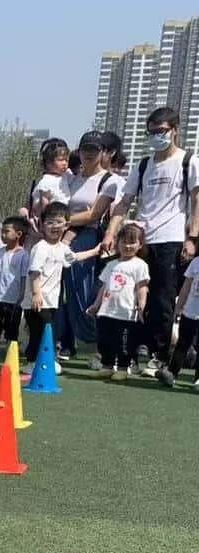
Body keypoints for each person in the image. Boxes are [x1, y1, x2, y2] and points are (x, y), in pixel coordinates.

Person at [103, 106, 199, 378]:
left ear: (174, 130)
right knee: (133, 297)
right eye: (152, 133)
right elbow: (124, 202)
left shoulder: (188, 161)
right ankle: (131, 352)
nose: (156, 137)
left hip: (170, 239)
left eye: (161, 132)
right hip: (141, 238)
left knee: (162, 300)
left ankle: (158, 355)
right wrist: (112, 232)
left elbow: (196, 199)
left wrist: (192, 238)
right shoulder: (144, 164)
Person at [22, 202, 101, 366]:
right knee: (41, 332)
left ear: (66, 225)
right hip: (37, 301)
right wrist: (36, 293)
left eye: (58, 222)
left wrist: (95, 251)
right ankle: (34, 363)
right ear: (42, 225)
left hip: (50, 301)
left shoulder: (61, 248)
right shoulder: (41, 247)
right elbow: (34, 271)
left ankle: (39, 361)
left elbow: (75, 257)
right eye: (49, 222)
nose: (54, 226)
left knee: (45, 331)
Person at [60, 131, 116, 362]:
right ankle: (63, 343)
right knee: (62, 295)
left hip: (89, 240)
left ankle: (98, 349)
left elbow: (95, 214)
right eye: (85, 149)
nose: (89, 155)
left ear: (103, 153)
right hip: (62, 238)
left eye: (94, 150)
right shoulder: (72, 179)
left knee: (86, 295)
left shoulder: (110, 180)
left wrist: (64, 221)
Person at [86, 222, 149, 380]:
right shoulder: (111, 265)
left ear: (140, 245)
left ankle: (122, 367)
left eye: (132, 242)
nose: (127, 246)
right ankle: (107, 366)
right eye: (124, 242)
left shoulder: (140, 265)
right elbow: (104, 287)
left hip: (126, 313)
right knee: (105, 341)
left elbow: (142, 288)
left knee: (124, 343)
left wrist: (141, 306)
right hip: (106, 311)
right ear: (117, 243)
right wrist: (96, 305)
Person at [0, 216, 29, 348]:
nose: (3, 235)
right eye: (1, 232)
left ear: (18, 234)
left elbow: (23, 278)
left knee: (12, 326)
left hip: (14, 300)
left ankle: (11, 347)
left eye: (6, 231)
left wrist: (21, 296)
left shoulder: (24, 256)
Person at [158, 254, 199, 390]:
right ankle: (172, 373)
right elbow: (186, 286)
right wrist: (179, 306)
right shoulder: (195, 262)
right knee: (182, 343)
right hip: (190, 312)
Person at [20, 138, 70, 235]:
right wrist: (44, 221)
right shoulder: (46, 180)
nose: (65, 163)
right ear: (48, 163)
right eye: (60, 160)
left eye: (66, 160)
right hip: (49, 222)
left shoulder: (65, 176)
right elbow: (44, 204)